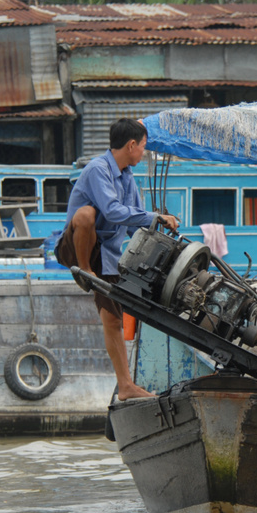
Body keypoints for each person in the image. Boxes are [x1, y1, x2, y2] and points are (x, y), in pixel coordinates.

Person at [55, 118, 179, 401]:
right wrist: (154, 216)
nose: (144, 153)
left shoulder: (127, 177)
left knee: (113, 320)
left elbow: (137, 219)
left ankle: (126, 386)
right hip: (77, 249)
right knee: (86, 215)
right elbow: (111, 211)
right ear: (131, 145)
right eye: (144, 147)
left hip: (107, 258)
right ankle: (84, 271)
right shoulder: (98, 169)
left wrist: (162, 229)